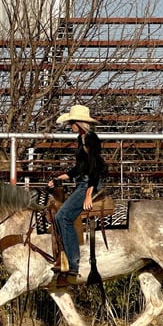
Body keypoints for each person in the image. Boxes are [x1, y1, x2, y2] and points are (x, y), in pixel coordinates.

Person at [48, 105, 106, 280]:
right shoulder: (80, 138)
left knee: (62, 216)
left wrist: (89, 193)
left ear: (79, 122)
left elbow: (95, 168)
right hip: (82, 181)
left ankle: (73, 263)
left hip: (89, 183)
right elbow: (80, 168)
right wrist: (60, 178)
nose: (70, 125)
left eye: (72, 122)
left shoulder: (91, 139)